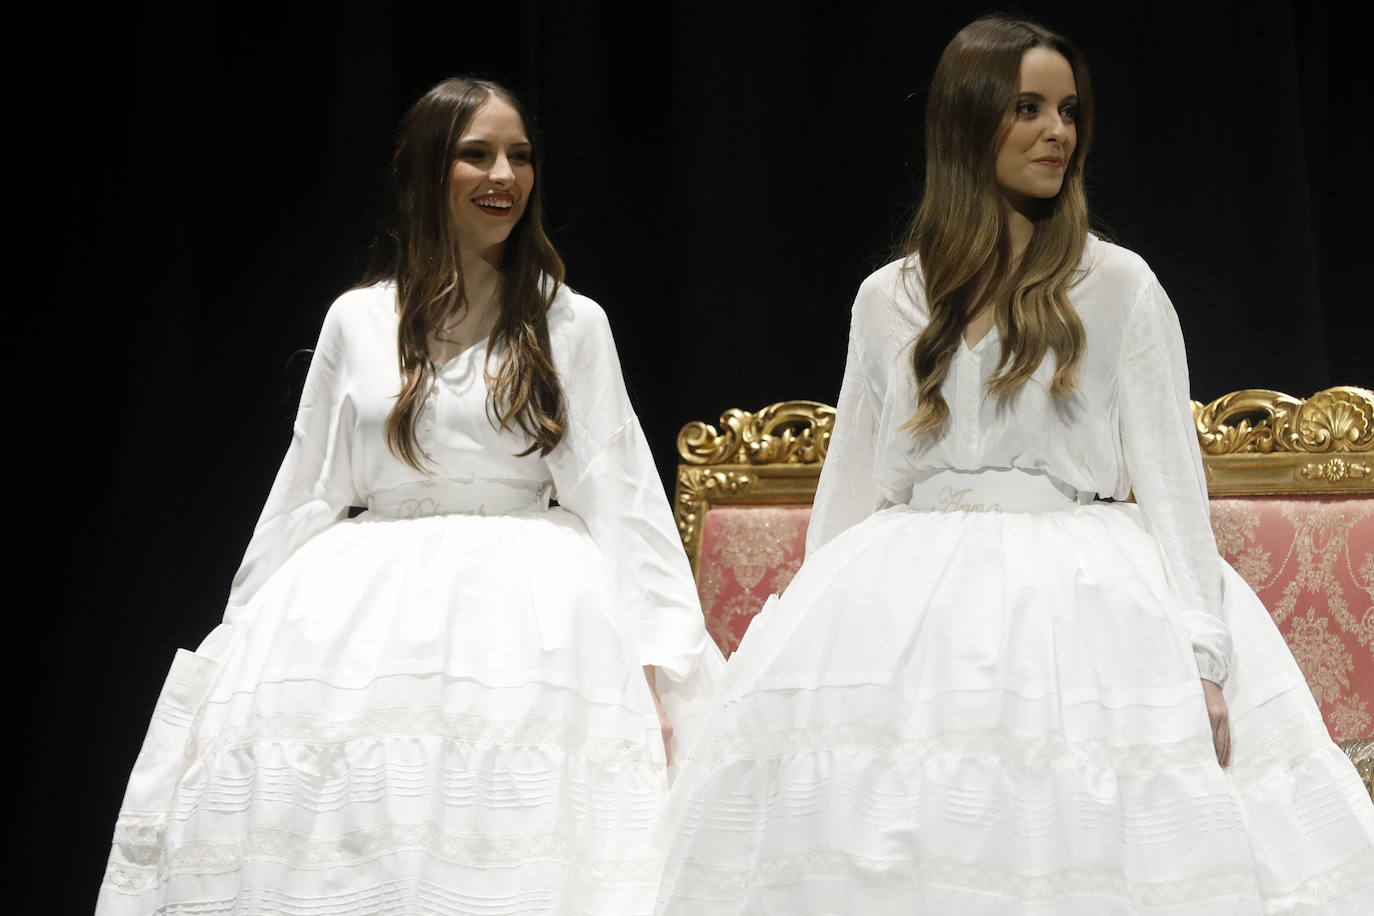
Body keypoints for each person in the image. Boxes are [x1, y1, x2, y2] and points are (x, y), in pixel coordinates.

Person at [655, 16, 1374, 914]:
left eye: (1068, 110)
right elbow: (849, 484)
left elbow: (1175, 486)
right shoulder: (891, 298)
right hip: (910, 600)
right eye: (1028, 108)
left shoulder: (1118, 285)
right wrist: (808, 653)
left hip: (1082, 600)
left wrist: (1204, 657)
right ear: (969, 123)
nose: (1057, 132)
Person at [97, 77, 724, 915]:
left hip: (530, 621)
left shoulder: (568, 322)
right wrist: (238, 630)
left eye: (520, 156)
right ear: (430, 171)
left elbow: (621, 493)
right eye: (478, 154)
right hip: (361, 620)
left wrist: (661, 656)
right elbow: (309, 486)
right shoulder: (358, 319)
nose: (504, 174)